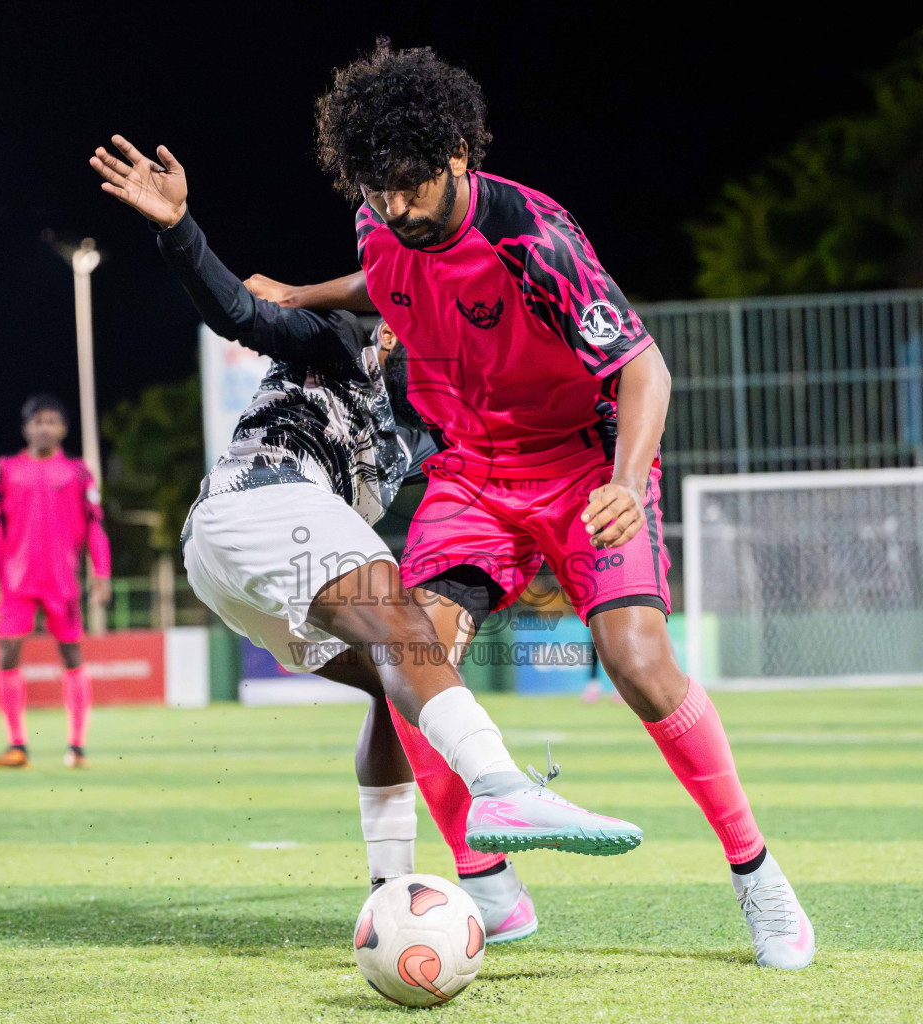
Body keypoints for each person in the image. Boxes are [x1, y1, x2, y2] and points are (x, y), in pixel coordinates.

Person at [252, 41, 815, 970]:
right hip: (470, 474)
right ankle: (488, 883)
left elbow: (644, 366)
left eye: (410, 186)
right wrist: (302, 292)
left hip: (580, 465)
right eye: (375, 189)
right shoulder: (379, 224)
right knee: (407, 660)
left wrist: (627, 486)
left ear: (458, 155)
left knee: (637, 663)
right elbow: (387, 282)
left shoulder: (531, 237)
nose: (395, 208)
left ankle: (757, 874)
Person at [87, 133, 642, 940]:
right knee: (405, 630)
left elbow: (485, 481)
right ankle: (501, 786)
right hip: (260, 500)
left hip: (234, 555)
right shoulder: (339, 340)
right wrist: (180, 229)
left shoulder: (428, 423)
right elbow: (237, 310)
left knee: (401, 677)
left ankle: (396, 894)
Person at [0, 395, 112, 770]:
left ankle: (77, 746)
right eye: (37, 421)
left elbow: (95, 526)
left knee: (72, 656)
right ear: (26, 428)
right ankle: (17, 745)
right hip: (16, 580)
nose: (44, 427)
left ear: (63, 429)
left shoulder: (77, 472)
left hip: (61, 581)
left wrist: (101, 571)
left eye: (52, 421)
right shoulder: (6, 468)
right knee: (6, 653)